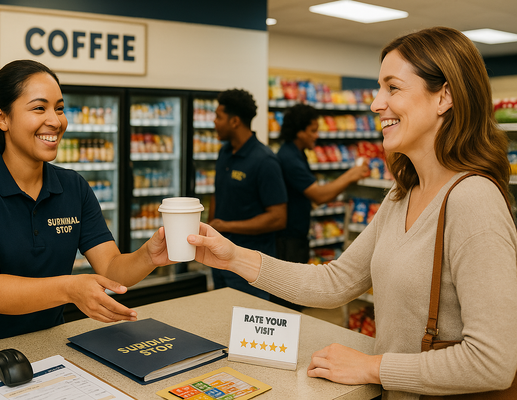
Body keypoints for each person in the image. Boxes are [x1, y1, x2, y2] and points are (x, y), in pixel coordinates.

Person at [188, 27, 517, 398]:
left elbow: (493, 362)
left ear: (445, 97)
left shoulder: (474, 201)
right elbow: (336, 282)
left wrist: (372, 366)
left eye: (392, 88)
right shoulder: (403, 193)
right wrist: (233, 257)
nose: (376, 104)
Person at [0, 60, 171, 352]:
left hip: (46, 345)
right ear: (1, 118)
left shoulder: (73, 187)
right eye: (39, 108)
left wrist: (149, 256)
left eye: (59, 108)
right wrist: (69, 288)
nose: (56, 121)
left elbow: (111, 268)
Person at [209, 88, 287, 299]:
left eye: (218, 117)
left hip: (250, 265)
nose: (214, 121)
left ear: (235, 121)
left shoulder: (264, 161)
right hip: (218, 258)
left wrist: (226, 226)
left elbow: (278, 218)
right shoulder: (224, 152)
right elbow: (218, 194)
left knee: (247, 326)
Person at [276, 103, 369, 263]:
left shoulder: (296, 153)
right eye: (313, 130)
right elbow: (318, 195)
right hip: (289, 239)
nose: (316, 135)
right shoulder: (289, 158)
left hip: (295, 235)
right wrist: (350, 175)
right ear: (299, 132)